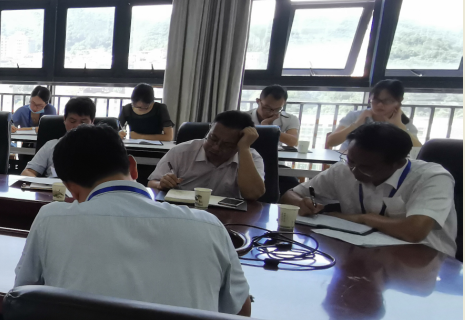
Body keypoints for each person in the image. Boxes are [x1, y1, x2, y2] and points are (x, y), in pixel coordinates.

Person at [15, 124, 251, 316]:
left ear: (70, 189)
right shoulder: (209, 225)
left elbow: (22, 296)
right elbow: (240, 311)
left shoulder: (51, 219)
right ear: (133, 167)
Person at [282, 123, 457, 257]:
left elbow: (414, 231)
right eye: (350, 160)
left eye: (366, 167)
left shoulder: (432, 177)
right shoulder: (344, 169)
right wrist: (301, 203)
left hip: (422, 261)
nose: (354, 171)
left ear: (398, 163)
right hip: (361, 252)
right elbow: (288, 196)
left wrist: (364, 218)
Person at [148, 110, 265, 201]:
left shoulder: (251, 157)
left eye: (227, 145)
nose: (216, 147)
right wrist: (161, 184)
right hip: (185, 211)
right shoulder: (181, 152)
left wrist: (244, 148)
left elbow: (253, 195)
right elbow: (151, 183)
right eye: (213, 138)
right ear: (209, 130)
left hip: (228, 217)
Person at [325, 79, 421, 151]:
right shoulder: (356, 116)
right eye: (375, 100)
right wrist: (356, 125)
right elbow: (331, 142)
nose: (379, 105)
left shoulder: (403, 122)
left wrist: (399, 127)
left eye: (387, 101)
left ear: (398, 102)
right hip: (348, 162)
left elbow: (418, 150)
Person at [21, 97, 95, 178]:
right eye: (72, 121)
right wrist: (39, 183)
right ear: (65, 120)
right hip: (53, 186)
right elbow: (27, 172)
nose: (77, 126)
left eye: (83, 122)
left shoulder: (100, 148)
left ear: (92, 122)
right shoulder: (51, 146)